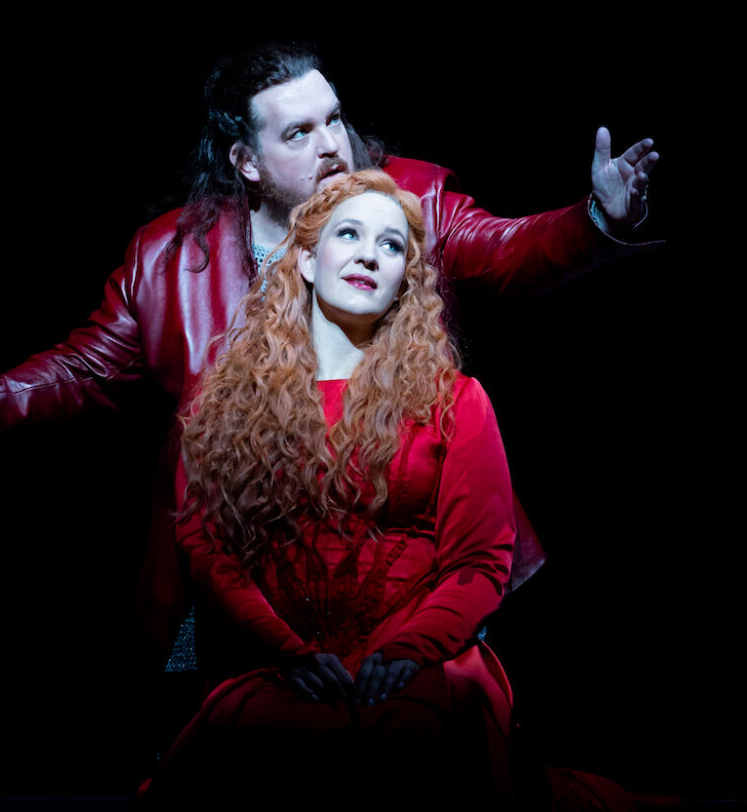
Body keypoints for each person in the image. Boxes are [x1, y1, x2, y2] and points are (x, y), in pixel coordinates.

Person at [0, 42, 660, 661]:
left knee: (417, 750)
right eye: (299, 133)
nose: (332, 146)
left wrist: (597, 218)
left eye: (334, 119)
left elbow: (511, 247)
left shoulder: (409, 201)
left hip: (395, 550)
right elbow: (86, 368)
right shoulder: (168, 259)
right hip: (244, 563)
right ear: (245, 162)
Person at [141, 169, 521, 809]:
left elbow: (480, 561)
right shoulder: (226, 405)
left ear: (404, 280)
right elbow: (209, 550)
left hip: (419, 667)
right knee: (257, 744)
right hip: (277, 667)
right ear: (307, 260)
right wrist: (287, 654)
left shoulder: (454, 402)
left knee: (410, 737)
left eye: (391, 245)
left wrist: (408, 652)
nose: (369, 254)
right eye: (349, 235)